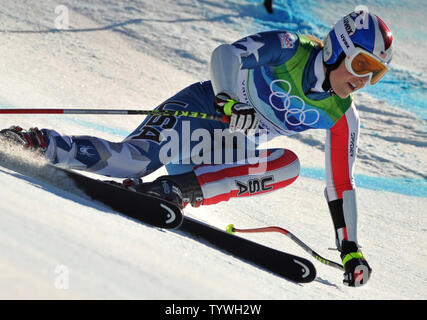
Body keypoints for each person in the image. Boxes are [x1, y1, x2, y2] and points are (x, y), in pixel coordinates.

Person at [0, 10, 393, 287]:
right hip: (201, 112)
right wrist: (226, 100)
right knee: (128, 161)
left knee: (288, 165)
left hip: (222, 154)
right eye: (361, 64)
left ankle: (175, 190)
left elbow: (341, 183)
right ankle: (35, 142)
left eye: (375, 73)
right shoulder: (291, 47)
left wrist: (350, 249)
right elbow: (227, 54)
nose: (363, 80)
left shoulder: (342, 113)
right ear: (338, 48)